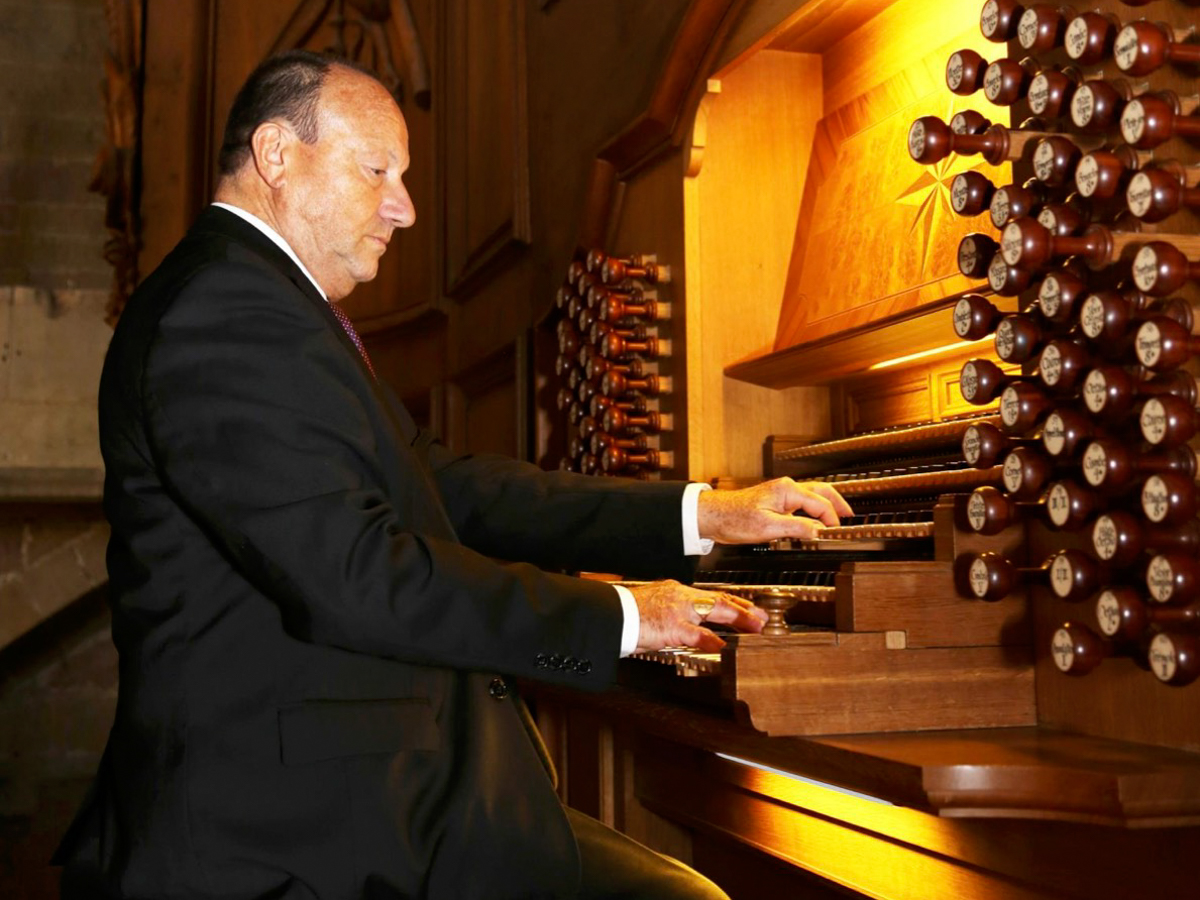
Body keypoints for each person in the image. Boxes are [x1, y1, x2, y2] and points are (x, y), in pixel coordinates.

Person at [54, 50, 851, 900]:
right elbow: (356, 576)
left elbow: (452, 489)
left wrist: (703, 516)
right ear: (276, 154)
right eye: (377, 170)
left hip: (371, 788)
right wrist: (623, 616)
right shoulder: (223, 311)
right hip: (288, 837)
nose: (403, 206)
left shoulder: (265, 304)